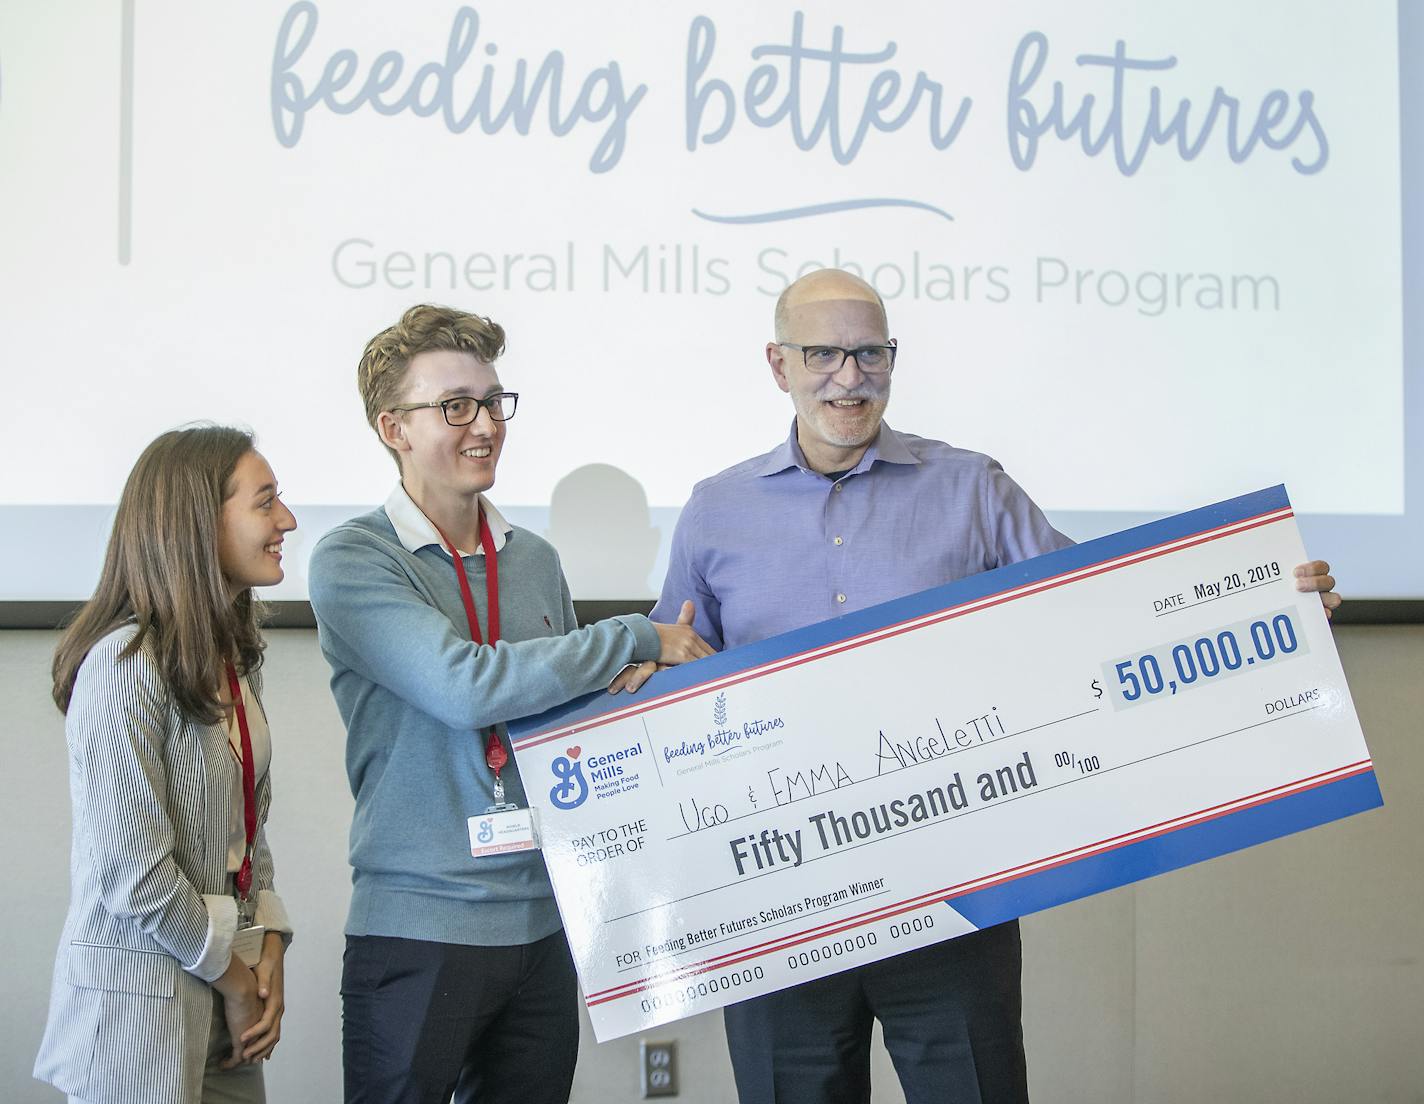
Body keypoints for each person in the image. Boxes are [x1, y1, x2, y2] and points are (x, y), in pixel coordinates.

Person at [644, 267, 1342, 1104]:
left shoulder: (971, 489)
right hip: (779, 899)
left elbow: (1102, 609)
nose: (850, 375)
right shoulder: (715, 510)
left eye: (871, 353)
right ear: (777, 364)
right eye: (824, 353)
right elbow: (673, 684)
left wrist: (1269, 605)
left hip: (949, 883)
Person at [307, 303, 712, 1104]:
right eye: (455, 406)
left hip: (544, 924)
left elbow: (563, 717)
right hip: (420, 927)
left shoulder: (535, 561)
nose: (485, 424)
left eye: (493, 402)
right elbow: (466, 686)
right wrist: (635, 637)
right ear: (393, 427)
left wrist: (634, 688)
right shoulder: (353, 559)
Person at [35, 426, 298, 1103]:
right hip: (139, 1013)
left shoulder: (234, 659)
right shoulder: (124, 667)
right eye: (265, 502)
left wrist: (267, 947)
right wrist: (240, 985)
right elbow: (135, 873)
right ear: (196, 524)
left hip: (225, 993)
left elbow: (247, 836)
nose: (288, 521)